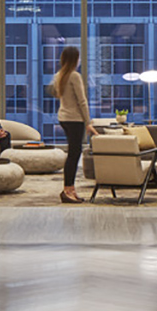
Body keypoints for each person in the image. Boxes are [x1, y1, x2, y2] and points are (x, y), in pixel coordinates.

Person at [51, 45, 95, 204]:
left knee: (73, 154)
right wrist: (88, 122)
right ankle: (67, 190)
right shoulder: (74, 76)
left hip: (64, 117)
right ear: (75, 60)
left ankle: (70, 189)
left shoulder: (59, 75)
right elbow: (82, 101)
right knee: (74, 154)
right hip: (75, 119)